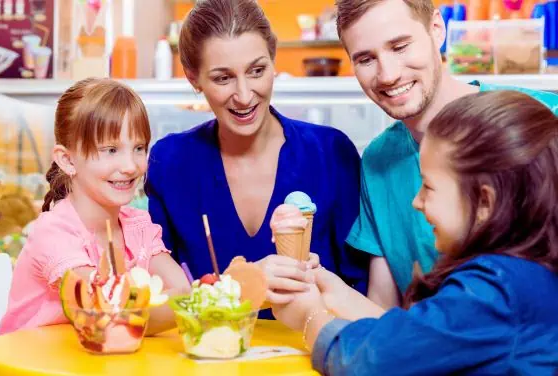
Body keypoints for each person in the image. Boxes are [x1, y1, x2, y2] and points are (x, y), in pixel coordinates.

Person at [273, 90, 558, 375]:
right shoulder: (525, 273)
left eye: (428, 187)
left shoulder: (494, 290)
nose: (416, 201)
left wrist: (310, 317)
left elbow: (371, 362)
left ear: (485, 202)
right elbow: (418, 337)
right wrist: (331, 290)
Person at [144, 0, 368, 313]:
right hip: (207, 353)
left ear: (274, 59)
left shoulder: (331, 154)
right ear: (194, 78)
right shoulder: (169, 163)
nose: (245, 95)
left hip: (315, 353)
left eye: (257, 71)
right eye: (223, 78)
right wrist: (243, 287)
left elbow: (362, 289)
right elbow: (155, 296)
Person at [336, 0, 558, 308]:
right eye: (365, 59)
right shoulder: (377, 161)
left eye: (400, 47)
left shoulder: (543, 121)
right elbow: (384, 311)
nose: (387, 75)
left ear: (436, 29)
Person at [0, 78, 190, 335]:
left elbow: (183, 291)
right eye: (111, 150)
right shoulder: (54, 233)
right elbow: (108, 313)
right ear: (67, 160)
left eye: (138, 148)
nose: (130, 165)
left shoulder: (138, 226)